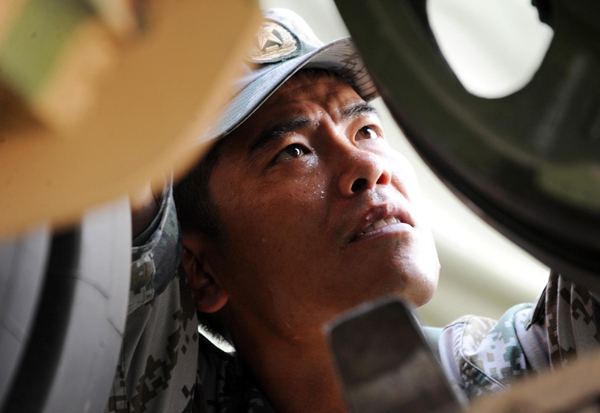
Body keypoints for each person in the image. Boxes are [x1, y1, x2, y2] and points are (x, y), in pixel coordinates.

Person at [107, 8, 600, 413]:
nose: (366, 166)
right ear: (200, 270)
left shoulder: (545, 362)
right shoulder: (155, 392)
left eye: (365, 130)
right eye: (293, 151)